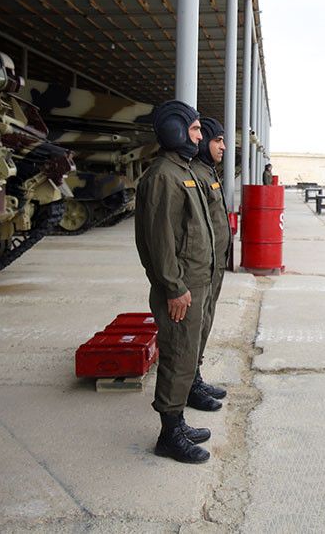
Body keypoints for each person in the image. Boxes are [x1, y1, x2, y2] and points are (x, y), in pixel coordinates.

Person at [134, 100, 216, 464]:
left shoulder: (180, 170)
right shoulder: (163, 176)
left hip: (194, 281)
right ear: (175, 131)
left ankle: (178, 421)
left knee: (186, 356)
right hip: (181, 286)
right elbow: (160, 239)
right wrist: (174, 286)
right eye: (196, 129)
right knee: (177, 355)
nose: (199, 137)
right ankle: (168, 435)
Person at [187, 117, 231, 412]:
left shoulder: (208, 173)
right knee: (194, 327)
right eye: (218, 140)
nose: (223, 147)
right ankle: (188, 384)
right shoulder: (197, 175)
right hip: (201, 267)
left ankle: (194, 377)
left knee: (205, 323)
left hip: (213, 266)